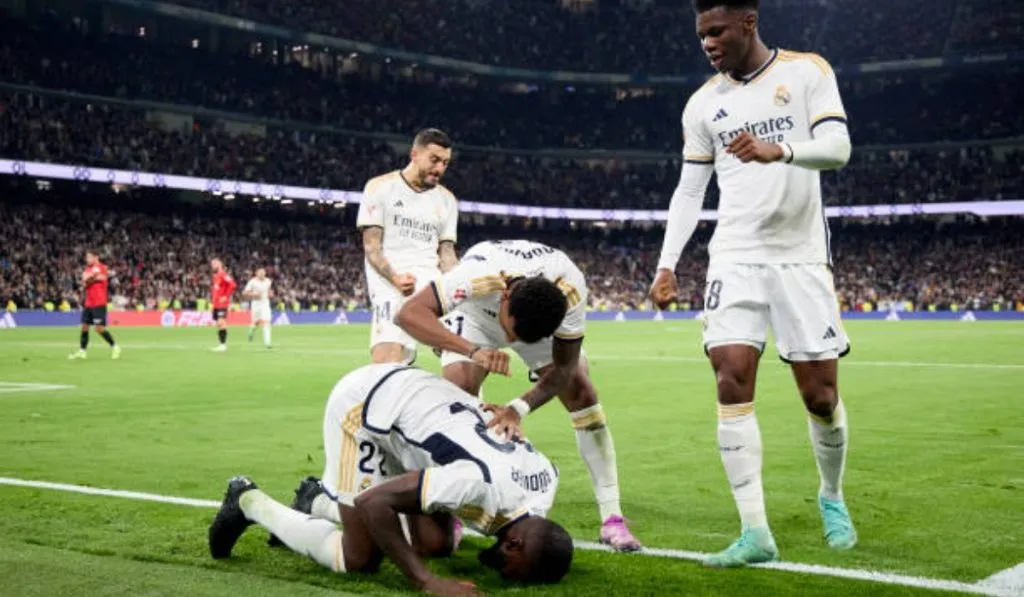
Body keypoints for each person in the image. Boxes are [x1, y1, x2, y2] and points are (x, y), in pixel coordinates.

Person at [649, 0, 856, 568]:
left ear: (749, 22)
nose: (708, 43)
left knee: (821, 397)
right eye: (701, 35)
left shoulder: (807, 72)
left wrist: (780, 150)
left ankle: (831, 496)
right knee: (731, 377)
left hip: (800, 256)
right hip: (734, 256)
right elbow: (690, 190)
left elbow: (838, 150)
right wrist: (667, 263)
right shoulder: (702, 105)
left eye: (717, 31)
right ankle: (755, 531)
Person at [208, 364, 573, 596]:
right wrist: (425, 581)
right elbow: (373, 502)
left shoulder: (545, 483)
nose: (506, 577)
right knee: (360, 557)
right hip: (366, 408)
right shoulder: (476, 484)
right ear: (514, 544)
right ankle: (247, 500)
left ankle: (314, 502)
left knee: (434, 543)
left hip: (421, 409)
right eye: (512, 573)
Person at [395, 240, 642, 552]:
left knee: (582, 393)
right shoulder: (477, 275)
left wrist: (517, 408)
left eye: (518, 338)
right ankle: (454, 508)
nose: (510, 341)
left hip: (527, 317)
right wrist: (472, 351)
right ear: (505, 297)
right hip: (477, 317)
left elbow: (564, 368)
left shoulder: (570, 290)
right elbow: (408, 314)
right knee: (458, 390)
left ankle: (612, 518)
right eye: (511, 333)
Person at [357, 128, 460, 366]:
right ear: (414, 154)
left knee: (463, 355)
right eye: (434, 160)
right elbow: (372, 246)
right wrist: (395, 277)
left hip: (432, 285)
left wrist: (461, 282)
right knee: (386, 363)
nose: (439, 168)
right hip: (390, 284)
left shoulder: (447, 200)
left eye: (445, 163)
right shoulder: (380, 187)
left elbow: (447, 254)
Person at [68, 250, 120, 360]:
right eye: (87, 257)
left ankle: (115, 346)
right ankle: (82, 351)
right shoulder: (87, 269)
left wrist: (90, 278)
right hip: (89, 303)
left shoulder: (103, 267)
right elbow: (84, 281)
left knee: (99, 328)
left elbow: (102, 278)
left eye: (89, 257)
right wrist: (94, 277)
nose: (87, 259)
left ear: (96, 257)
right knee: (84, 326)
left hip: (99, 302)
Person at [210, 258, 237, 352]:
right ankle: (221, 344)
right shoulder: (216, 276)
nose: (212, 266)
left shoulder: (223, 274)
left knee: (221, 322)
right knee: (218, 324)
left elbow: (233, 285)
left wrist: (226, 296)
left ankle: (223, 345)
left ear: (220, 264)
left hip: (222, 303)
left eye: (214, 264)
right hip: (216, 304)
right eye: (212, 264)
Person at [243, 268, 273, 348]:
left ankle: (268, 342)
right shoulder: (252, 282)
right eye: (260, 273)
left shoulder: (268, 281)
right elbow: (245, 292)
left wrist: (270, 294)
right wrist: (254, 294)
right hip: (256, 304)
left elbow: (269, 290)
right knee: (256, 322)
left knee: (266, 322)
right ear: (256, 273)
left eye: (263, 273)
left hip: (265, 303)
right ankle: (251, 332)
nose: (262, 274)